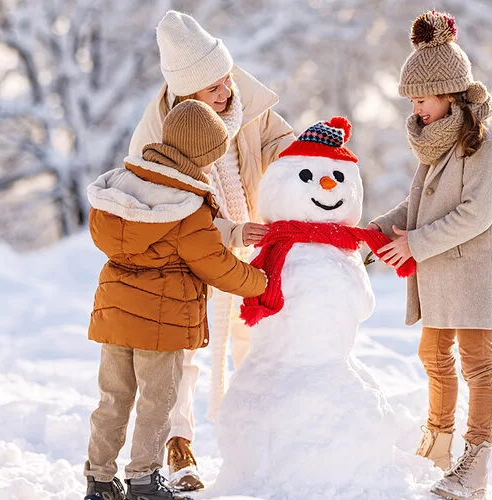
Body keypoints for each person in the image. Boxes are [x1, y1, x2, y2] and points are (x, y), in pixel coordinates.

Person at [128, 10, 295, 491]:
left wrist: (299, 150)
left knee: (254, 341)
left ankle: (257, 436)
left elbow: (275, 140)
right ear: (185, 95)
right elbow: (157, 198)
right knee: (183, 354)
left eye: (226, 79)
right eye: (213, 90)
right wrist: (220, 231)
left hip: (249, 245)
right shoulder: (158, 129)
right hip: (189, 255)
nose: (227, 93)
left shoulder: (242, 99)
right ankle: (177, 443)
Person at [83, 99, 267, 500]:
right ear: (198, 156)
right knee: (156, 402)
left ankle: (98, 480)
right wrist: (261, 282)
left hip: (114, 315)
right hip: (159, 325)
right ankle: (144, 479)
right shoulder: (187, 208)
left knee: (113, 399)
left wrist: (232, 230)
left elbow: (167, 235)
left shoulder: (123, 187)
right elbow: (215, 265)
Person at [369, 10, 492, 500]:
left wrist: (412, 243)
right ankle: (437, 442)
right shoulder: (440, 143)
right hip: (442, 269)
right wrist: (375, 233)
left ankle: (475, 463)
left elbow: (475, 215)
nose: (416, 109)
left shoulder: (488, 146)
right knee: (433, 352)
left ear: (449, 94)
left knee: (477, 361)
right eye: (411, 99)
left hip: (473, 272)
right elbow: (420, 205)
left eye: (422, 98)